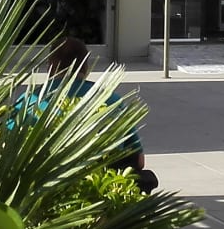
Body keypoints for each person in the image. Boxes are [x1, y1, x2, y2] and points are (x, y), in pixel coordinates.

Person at [29, 37, 157, 191]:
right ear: (86, 66)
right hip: (99, 189)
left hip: (43, 190)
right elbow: (138, 160)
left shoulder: (29, 102)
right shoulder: (111, 100)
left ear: (50, 65)